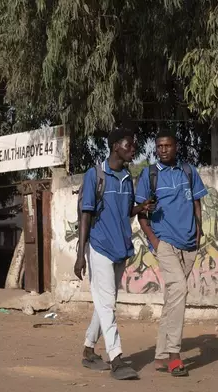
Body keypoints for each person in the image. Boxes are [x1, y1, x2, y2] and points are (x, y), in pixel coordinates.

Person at [73, 128, 154, 381]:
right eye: (129, 145)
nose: (133, 149)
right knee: (107, 302)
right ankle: (117, 358)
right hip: (99, 246)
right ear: (115, 146)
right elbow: (86, 214)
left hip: (122, 248)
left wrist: (141, 207)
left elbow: (125, 209)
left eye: (133, 145)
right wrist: (80, 253)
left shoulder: (127, 177)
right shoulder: (94, 175)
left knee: (105, 302)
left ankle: (88, 348)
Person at [135, 129, 208, 377]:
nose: (163, 149)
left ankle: (159, 356)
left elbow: (197, 203)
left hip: (189, 244)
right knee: (180, 289)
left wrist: (199, 231)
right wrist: (154, 240)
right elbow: (141, 212)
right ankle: (175, 355)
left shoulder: (189, 171)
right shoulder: (149, 174)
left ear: (176, 147)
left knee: (173, 298)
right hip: (164, 242)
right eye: (160, 146)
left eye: (168, 145)